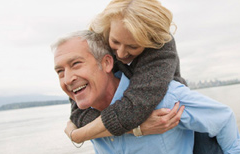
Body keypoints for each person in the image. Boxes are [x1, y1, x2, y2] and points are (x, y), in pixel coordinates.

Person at [68, 0, 223, 153]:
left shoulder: (162, 43)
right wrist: (137, 129)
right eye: (115, 42)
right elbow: (80, 115)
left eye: (133, 46)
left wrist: (77, 135)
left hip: (177, 116)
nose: (121, 54)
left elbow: (132, 109)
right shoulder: (97, 40)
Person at [52, 30, 240, 154]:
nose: (68, 79)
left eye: (76, 64)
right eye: (60, 72)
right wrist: (136, 129)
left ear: (107, 62)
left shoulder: (167, 98)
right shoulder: (84, 117)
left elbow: (223, 119)